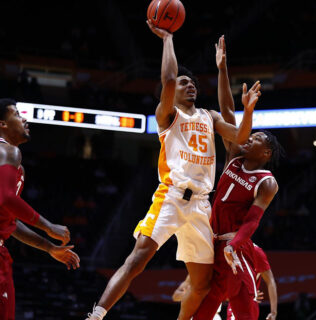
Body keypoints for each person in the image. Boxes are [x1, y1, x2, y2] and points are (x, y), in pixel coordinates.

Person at [86, 21, 260, 320]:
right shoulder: (167, 116)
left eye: (192, 82)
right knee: (137, 260)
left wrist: (248, 109)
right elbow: (167, 80)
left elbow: (240, 137)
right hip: (171, 196)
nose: (189, 84)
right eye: (183, 83)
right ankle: (96, 315)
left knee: (203, 284)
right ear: (172, 93)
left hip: (201, 205)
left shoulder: (209, 116)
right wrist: (167, 39)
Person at [192, 35, 283, 320]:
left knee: (243, 308)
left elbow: (253, 220)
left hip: (235, 248)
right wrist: (222, 69)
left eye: (254, 138)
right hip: (213, 241)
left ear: (266, 152)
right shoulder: (234, 156)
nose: (247, 139)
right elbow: (228, 111)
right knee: (207, 301)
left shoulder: (267, 181)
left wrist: (234, 243)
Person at [0, 98, 80, 319]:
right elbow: (7, 199)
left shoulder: (15, 165)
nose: (24, 118)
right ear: (2, 124)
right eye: (16, 114)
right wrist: (48, 226)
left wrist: (48, 247)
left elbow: (9, 221)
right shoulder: (8, 151)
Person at [225, 243, 277, 320]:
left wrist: (273, 312)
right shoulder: (226, 248)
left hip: (248, 304)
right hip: (233, 302)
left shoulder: (256, 251)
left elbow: (270, 280)